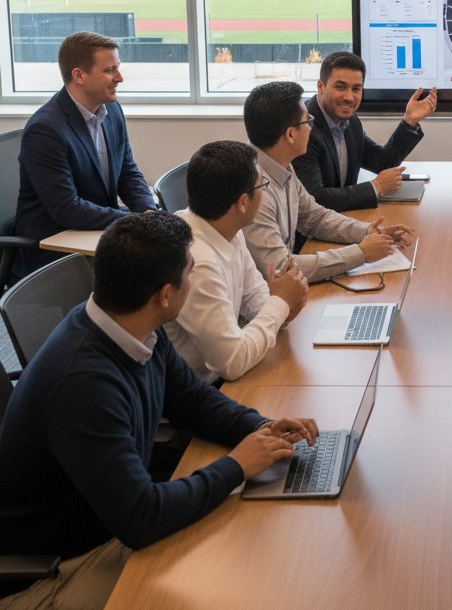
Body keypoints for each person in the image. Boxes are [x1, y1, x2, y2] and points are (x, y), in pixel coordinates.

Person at [0, 212, 319, 609]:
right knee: (233, 581)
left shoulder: (135, 324)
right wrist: (238, 465)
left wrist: (260, 428)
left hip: (107, 521)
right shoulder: (82, 385)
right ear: (165, 294)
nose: (196, 277)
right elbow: (141, 518)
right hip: (57, 570)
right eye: (191, 271)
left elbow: (193, 401)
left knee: (252, 544)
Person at [12, 31, 156, 285]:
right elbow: (67, 209)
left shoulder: (111, 109)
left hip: (93, 232)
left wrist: (148, 211)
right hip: (54, 249)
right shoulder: (46, 130)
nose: (119, 78)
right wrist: (132, 221)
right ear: (79, 75)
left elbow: (127, 171)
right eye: (110, 70)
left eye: (118, 68)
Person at [164, 140, 309, 382]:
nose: (265, 191)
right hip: (199, 395)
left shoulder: (228, 227)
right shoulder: (196, 262)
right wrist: (280, 303)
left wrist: (285, 306)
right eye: (262, 184)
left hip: (222, 381)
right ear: (242, 203)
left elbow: (254, 297)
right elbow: (231, 362)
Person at [241, 80, 411, 283]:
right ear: (291, 134)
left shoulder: (280, 164)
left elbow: (314, 217)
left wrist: (368, 231)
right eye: (307, 122)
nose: (311, 129)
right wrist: (360, 254)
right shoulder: (254, 190)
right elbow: (281, 269)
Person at [293, 50, 437, 212]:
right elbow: (315, 199)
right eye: (340, 87)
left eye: (356, 89)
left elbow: (382, 162)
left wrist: (410, 121)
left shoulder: (350, 121)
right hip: (310, 234)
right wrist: (374, 187)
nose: (349, 97)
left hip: (343, 219)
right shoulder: (303, 128)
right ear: (321, 86)